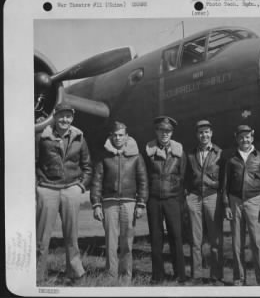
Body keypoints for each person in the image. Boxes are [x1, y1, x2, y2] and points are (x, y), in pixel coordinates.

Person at [36, 103, 92, 284]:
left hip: (71, 189)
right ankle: (38, 274)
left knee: (71, 235)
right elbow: (32, 162)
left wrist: (81, 187)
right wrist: (38, 186)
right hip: (47, 189)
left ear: (72, 118)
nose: (64, 120)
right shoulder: (41, 136)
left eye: (68, 116)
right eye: (61, 116)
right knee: (41, 237)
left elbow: (87, 167)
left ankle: (75, 273)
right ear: (54, 115)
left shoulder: (79, 138)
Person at [90, 121, 148, 284]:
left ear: (126, 136)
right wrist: (96, 204)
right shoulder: (104, 156)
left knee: (127, 242)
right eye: (115, 135)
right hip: (109, 203)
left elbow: (143, 181)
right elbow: (96, 181)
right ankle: (111, 275)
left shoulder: (136, 156)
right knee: (111, 242)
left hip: (129, 202)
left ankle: (126, 276)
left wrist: (141, 203)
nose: (117, 138)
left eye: (121, 135)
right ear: (111, 136)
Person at [223, 125, 260, 286]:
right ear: (237, 138)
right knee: (237, 244)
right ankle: (239, 279)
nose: (245, 140)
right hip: (235, 201)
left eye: (248, 137)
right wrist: (226, 205)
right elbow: (225, 185)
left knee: (257, 243)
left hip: (254, 201)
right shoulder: (231, 160)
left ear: (252, 138)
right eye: (242, 137)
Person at [144, 116, 187, 284]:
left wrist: (177, 196)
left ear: (172, 133)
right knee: (156, 238)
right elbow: (145, 176)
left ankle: (180, 275)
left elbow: (181, 176)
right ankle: (158, 276)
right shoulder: (147, 151)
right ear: (156, 131)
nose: (164, 134)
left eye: (168, 131)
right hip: (153, 200)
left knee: (176, 237)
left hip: (172, 199)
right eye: (161, 130)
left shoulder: (179, 152)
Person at [185, 120, 224, 286]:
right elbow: (186, 177)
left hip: (212, 197)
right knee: (195, 240)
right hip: (194, 198)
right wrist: (188, 196)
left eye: (207, 132)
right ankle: (196, 276)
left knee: (215, 240)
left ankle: (216, 276)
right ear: (197, 135)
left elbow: (224, 178)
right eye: (201, 132)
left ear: (211, 133)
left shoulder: (220, 153)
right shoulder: (191, 155)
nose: (204, 135)